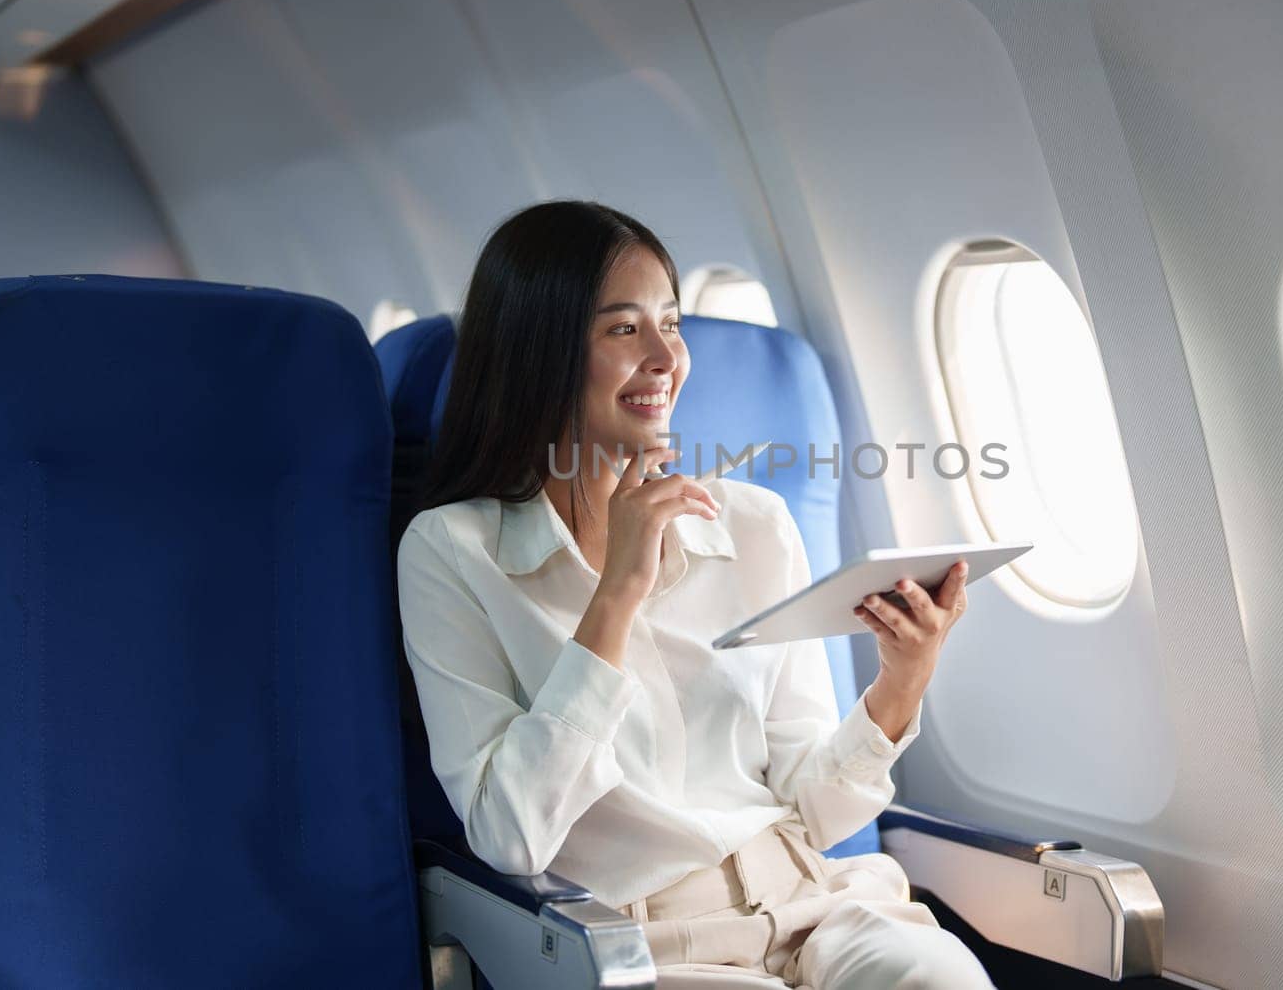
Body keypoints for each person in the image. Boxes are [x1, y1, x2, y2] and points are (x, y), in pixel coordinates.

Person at [397, 200, 993, 988]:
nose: (666, 357)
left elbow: (815, 807)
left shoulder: (754, 525)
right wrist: (616, 596)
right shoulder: (451, 551)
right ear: (541, 352)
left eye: (671, 324)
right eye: (623, 329)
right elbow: (512, 836)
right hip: (646, 948)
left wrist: (900, 682)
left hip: (820, 905)